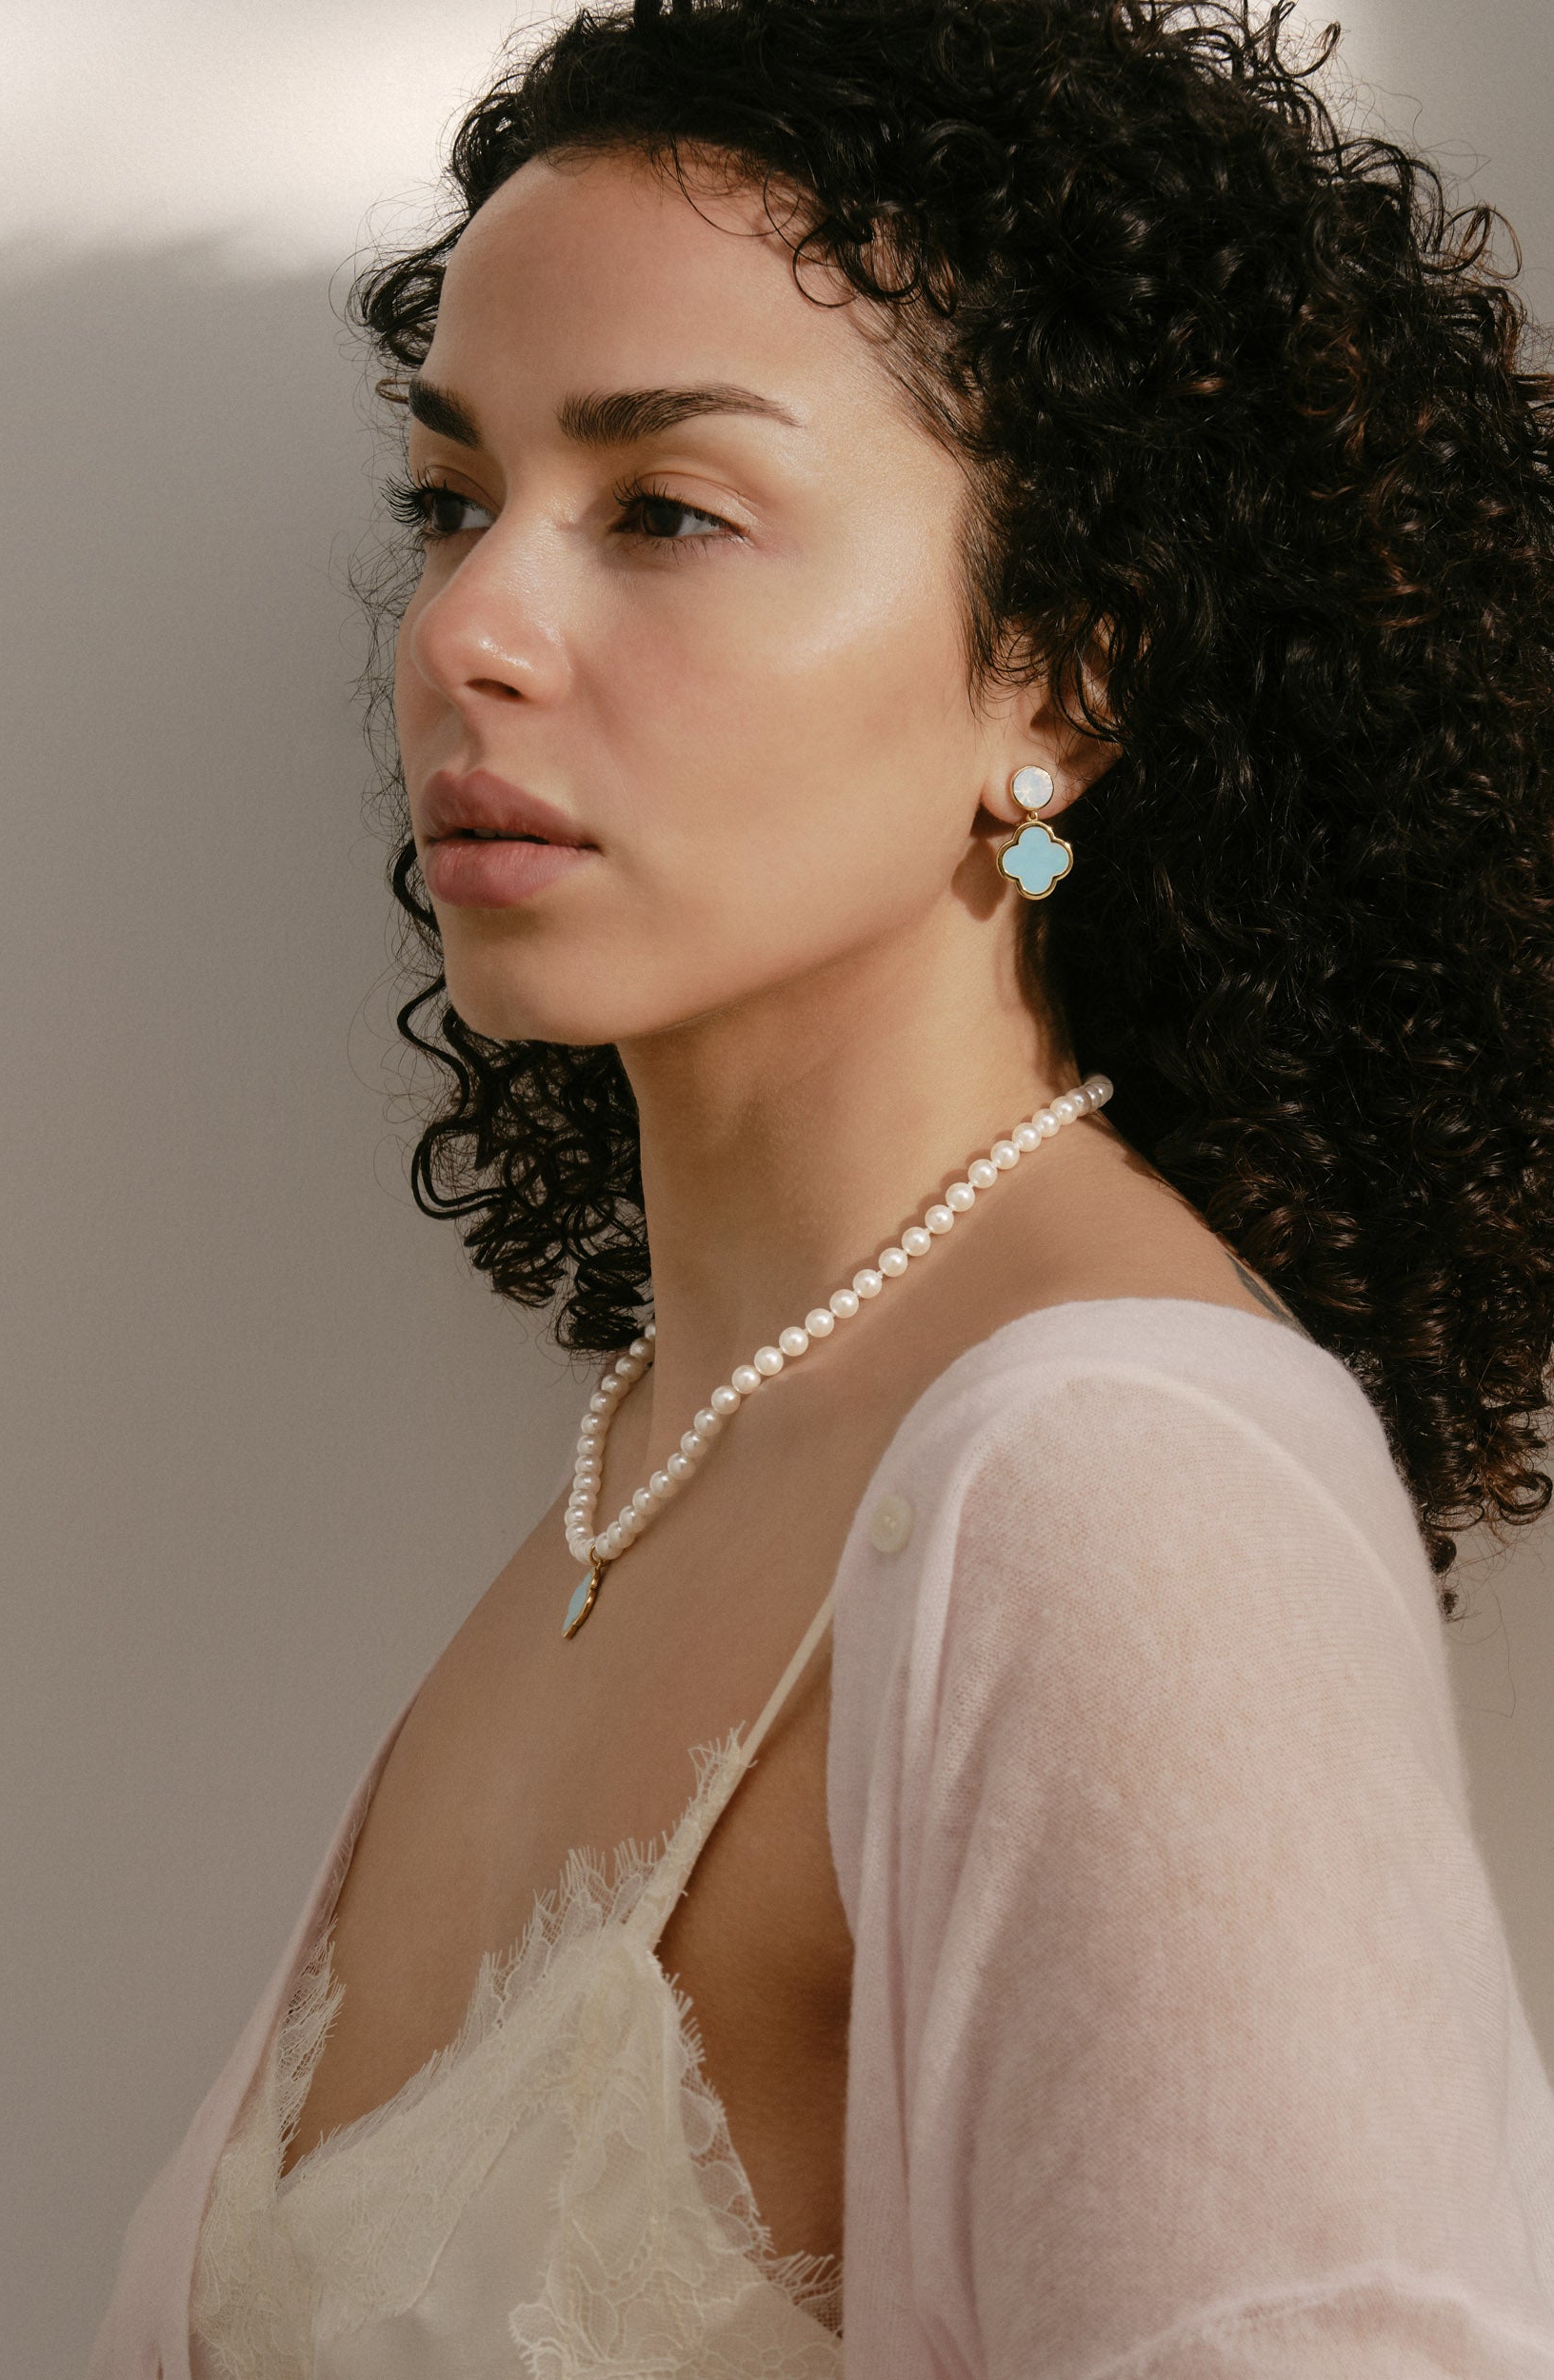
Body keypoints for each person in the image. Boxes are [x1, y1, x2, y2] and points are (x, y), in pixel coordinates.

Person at [89, 0, 1554, 2372]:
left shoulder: (1113, 1482)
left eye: (663, 509)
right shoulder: (646, 1466)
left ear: (1055, 679)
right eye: (452, 500)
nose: (466, 630)